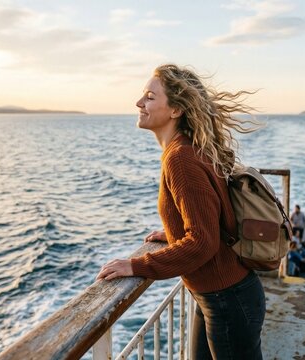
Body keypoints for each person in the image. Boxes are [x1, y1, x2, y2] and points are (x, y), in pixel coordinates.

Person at [96, 64, 265, 359]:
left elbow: (203, 242)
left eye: (149, 97)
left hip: (228, 300)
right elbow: (210, 219)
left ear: (175, 110)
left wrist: (137, 266)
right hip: (219, 296)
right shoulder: (187, 150)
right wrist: (175, 235)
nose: (139, 103)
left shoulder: (181, 159)